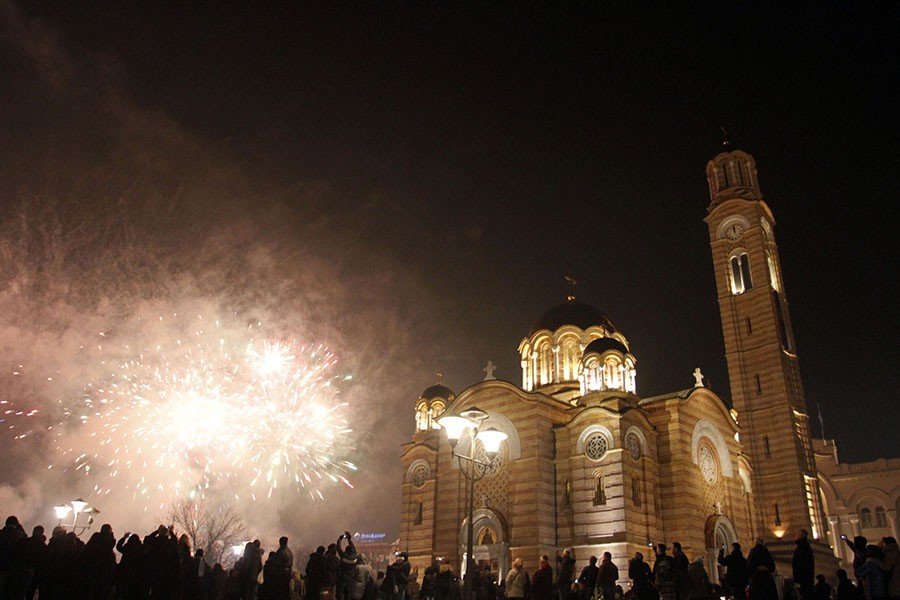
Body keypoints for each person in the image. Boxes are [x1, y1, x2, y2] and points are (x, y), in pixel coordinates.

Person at [792, 530, 814, 600]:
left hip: (804, 580)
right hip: (806, 579)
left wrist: (798, 580)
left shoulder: (802, 547)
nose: (795, 536)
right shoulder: (803, 546)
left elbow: (801, 564)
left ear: (801, 536)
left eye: (797, 534)